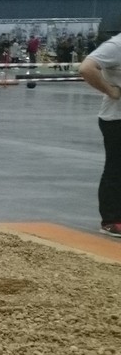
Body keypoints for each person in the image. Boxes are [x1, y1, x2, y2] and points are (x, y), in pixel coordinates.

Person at [77, 31, 121, 237]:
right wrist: (110, 90)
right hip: (117, 119)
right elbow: (87, 68)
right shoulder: (117, 45)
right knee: (116, 168)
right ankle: (111, 220)